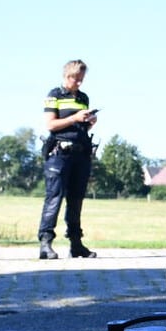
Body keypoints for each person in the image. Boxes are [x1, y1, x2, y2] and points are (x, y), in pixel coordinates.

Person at [37, 59, 98, 260]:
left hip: (80, 154)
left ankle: (76, 243)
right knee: (54, 197)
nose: (79, 83)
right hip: (59, 154)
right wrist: (75, 118)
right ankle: (45, 243)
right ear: (67, 76)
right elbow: (51, 125)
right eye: (76, 79)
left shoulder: (83, 98)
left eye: (82, 80)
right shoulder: (54, 95)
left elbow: (80, 126)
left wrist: (89, 122)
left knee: (76, 200)